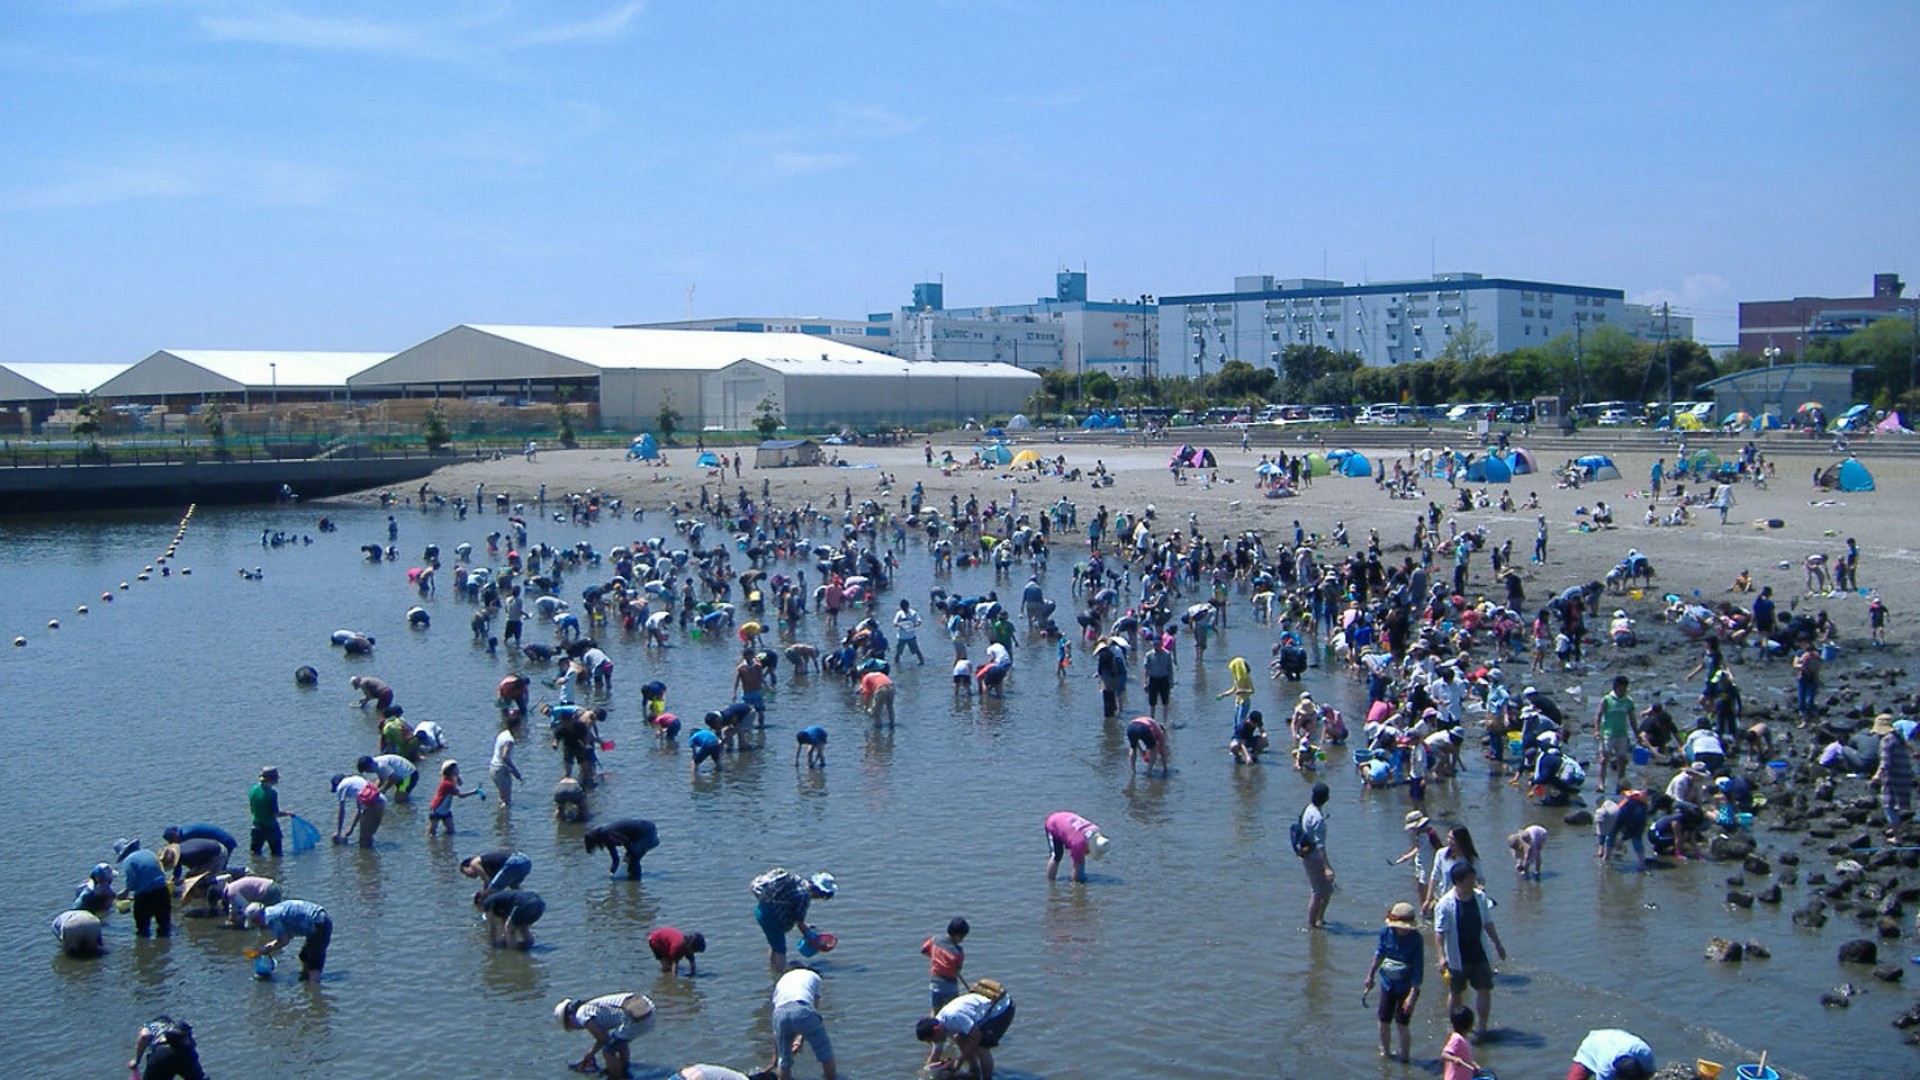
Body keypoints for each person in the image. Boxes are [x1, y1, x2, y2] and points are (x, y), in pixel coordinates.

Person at [1433, 862, 1507, 1039]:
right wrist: (1441, 957)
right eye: (1469, 880)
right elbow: (1439, 932)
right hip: (1457, 957)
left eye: (1473, 879)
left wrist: (1498, 944)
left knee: (1484, 988)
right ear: (1458, 881)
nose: (1473, 883)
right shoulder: (1445, 904)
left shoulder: (1480, 897)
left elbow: (1488, 923)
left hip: (1479, 954)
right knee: (1456, 992)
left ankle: (1482, 1028)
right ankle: (1455, 1030)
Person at [1362, 901, 1425, 1062]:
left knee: (1402, 1023)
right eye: (1401, 926)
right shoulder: (1386, 932)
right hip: (1387, 984)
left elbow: (1418, 969)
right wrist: (1370, 975)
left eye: (1406, 926)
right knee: (1384, 1020)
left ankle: (1405, 1058)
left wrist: (1412, 995)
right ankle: (1386, 1053)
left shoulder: (1416, 940)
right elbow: (1379, 954)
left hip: (1407, 986)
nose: (1404, 929)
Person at [916, 984, 1016, 1080]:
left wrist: (959, 1061)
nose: (934, 1042)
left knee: (982, 1047)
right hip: (982, 1010)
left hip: (1001, 1007)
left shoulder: (954, 1017)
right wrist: (926, 1071)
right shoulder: (939, 1027)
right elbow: (935, 1053)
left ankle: (987, 1078)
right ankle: (974, 1071)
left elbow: (976, 1035)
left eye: (932, 1040)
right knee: (958, 1038)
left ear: (936, 1030)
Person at [556, 992, 654, 1080]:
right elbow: (608, 1038)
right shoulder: (592, 1007)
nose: (576, 1029)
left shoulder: (581, 1015)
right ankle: (624, 1069)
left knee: (608, 1051)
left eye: (571, 1026)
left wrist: (589, 1055)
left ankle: (618, 1077)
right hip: (648, 1009)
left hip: (637, 1017)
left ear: (569, 1018)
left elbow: (602, 1039)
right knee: (618, 1042)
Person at [751, 867, 836, 967]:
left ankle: (773, 970)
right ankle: (780, 973)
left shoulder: (798, 881)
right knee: (780, 950)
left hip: (762, 910)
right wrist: (811, 939)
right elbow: (799, 922)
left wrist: (808, 929)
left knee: (775, 944)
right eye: (823, 896)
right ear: (819, 891)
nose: (820, 898)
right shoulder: (804, 896)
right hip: (770, 917)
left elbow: (793, 912)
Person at [765, 965, 836, 1080]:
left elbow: (775, 1027)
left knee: (784, 1061)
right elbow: (813, 1009)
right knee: (825, 1054)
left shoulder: (782, 981)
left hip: (780, 1013)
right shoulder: (814, 976)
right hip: (802, 1008)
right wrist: (800, 1038)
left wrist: (775, 1059)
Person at [247, 898, 333, 982]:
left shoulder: (272, 920)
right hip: (316, 920)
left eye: (254, 922)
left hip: (319, 923)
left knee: (314, 963)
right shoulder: (273, 910)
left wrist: (266, 950)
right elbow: (288, 935)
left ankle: (314, 988)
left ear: (257, 918)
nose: (256, 925)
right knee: (304, 956)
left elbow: (284, 941)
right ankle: (305, 980)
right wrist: (267, 947)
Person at [114, 838, 170, 937]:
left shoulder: (129, 861)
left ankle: (144, 949)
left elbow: (132, 884)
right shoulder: (150, 853)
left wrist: (125, 892)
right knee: (164, 926)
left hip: (145, 897)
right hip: (163, 892)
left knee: (142, 929)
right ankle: (165, 949)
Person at [1871, 713, 1914, 839]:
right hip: (1905, 776)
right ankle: (1895, 828)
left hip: (1893, 777)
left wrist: (1876, 776)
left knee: (1888, 806)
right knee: (1899, 806)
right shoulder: (1899, 738)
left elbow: (1885, 762)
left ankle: (1897, 837)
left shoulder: (1886, 740)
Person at [1298, 782, 1335, 927]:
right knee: (1319, 892)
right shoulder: (1318, 819)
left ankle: (1318, 920)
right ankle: (1313, 923)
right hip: (1314, 857)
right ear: (1326, 798)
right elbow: (1320, 845)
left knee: (1325, 890)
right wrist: (1327, 867)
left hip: (1307, 854)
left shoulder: (1308, 809)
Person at [129, 1016, 207, 1080]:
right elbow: (191, 1044)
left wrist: (136, 1060)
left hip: (161, 1054)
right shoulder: (174, 1026)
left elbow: (144, 1036)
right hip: (184, 1052)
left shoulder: (150, 1024)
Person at [1593, 675, 1635, 792]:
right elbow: (1599, 715)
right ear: (1616, 687)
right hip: (1608, 733)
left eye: (1625, 688)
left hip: (1622, 734)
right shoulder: (1607, 699)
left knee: (1622, 760)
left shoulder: (1628, 701)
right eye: (1622, 688)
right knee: (1604, 759)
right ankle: (1601, 784)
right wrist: (1596, 730)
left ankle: (1620, 784)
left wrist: (1637, 734)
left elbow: (1632, 719)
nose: (1624, 690)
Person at [1043, 811, 1109, 883]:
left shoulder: (1096, 831)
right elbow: (1077, 866)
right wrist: (1077, 886)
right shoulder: (1078, 844)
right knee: (1057, 856)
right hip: (1054, 823)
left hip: (1067, 819)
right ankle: (1050, 882)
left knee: (1080, 859)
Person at [1568, 1028, 1656, 1080]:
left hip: (1615, 1038)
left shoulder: (1644, 1053)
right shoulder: (1605, 1069)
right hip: (1592, 1045)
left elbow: (1651, 1073)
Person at [585, 819, 660, 879]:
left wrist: (630, 856)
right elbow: (615, 858)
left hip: (647, 832)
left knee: (633, 860)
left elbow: (626, 841)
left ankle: (635, 884)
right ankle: (633, 884)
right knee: (629, 860)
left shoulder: (608, 834)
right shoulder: (605, 837)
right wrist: (612, 872)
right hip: (638, 836)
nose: (601, 847)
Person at [922, 916, 969, 1010]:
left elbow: (924, 950)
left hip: (935, 983)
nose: (962, 940)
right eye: (963, 937)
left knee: (935, 1010)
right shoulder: (957, 951)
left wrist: (935, 958)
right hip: (949, 986)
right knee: (952, 1011)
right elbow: (957, 969)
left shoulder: (934, 940)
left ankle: (933, 1024)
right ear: (958, 935)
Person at [331, 771, 386, 847]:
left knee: (364, 840)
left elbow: (341, 811)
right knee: (367, 837)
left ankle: (366, 856)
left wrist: (338, 832)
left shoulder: (341, 786)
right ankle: (371, 856)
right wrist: (351, 829)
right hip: (381, 802)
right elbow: (359, 810)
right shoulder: (357, 781)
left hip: (372, 805)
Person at [427, 759, 481, 836]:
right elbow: (460, 795)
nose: (458, 769)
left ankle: (445, 845)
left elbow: (460, 783)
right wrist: (475, 792)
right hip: (436, 810)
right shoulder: (447, 784)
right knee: (431, 834)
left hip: (446, 811)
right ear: (450, 771)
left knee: (451, 832)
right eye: (456, 768)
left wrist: (457, 776)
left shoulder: (451, 780)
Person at [248, 765, 292, 857]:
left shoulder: (253, 789)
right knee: (276, 854)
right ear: (274, 779)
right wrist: (288, 813)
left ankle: (257, 868)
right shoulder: (272, 793)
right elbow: (275, 813)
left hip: (256, 826)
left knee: (255, 853)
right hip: (270, 827)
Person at [481, 888, 545, 948]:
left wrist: (492, 944)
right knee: (523, 927)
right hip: (540, 904)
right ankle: (529, 947)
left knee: (508, 929)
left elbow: (492, 926)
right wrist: (504, 937)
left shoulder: (487, 901)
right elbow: (506, 919)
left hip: (526, 904)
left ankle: (513, 953)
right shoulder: (504, 898)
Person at [461, 850, 532, 903]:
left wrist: (481, 896)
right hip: (526, 862)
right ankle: (524, 902)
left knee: (491, 892)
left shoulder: (474, 863)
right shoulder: (490, 868)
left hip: (515, 861)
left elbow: (486, 881)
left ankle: (486, 916)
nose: (468, 876)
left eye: (465, 872)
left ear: (467, 866)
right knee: (515, 889)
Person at [1441, 1005, 1480, 1080]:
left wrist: (1472, 1064)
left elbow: (1464, 1057)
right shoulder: (1456, 1039)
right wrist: (1454, 1059)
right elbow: (1444, 1054)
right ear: (1470, 1025)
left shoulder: (1462, 1039)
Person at [490, 729, 524, 809]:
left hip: (494, 767)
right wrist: (516, 772)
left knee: (502, 797)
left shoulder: (503, 733)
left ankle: (499, 818)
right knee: (506, 801)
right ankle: (505, 819)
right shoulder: (509, 740)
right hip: (501, 769)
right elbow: (505, 756)